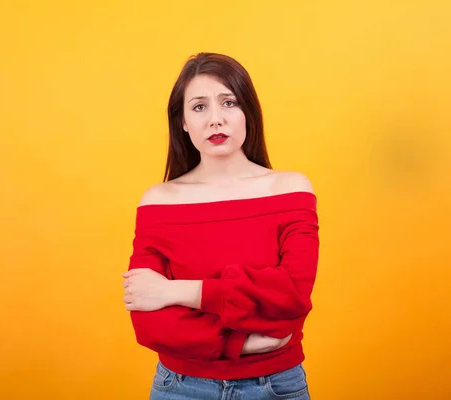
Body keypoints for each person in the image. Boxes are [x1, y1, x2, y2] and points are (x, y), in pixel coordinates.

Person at [121, 52, 320, 399]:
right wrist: (242, 343)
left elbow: (290, 295)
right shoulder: (158, 202)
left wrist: (177, 291)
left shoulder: (291, 190)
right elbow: (149, 321)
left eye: (229, 102)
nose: (216, 120)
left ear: (248, 112)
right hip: (179, 388)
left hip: (275, 387)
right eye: (199, 107)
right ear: (182, 121)